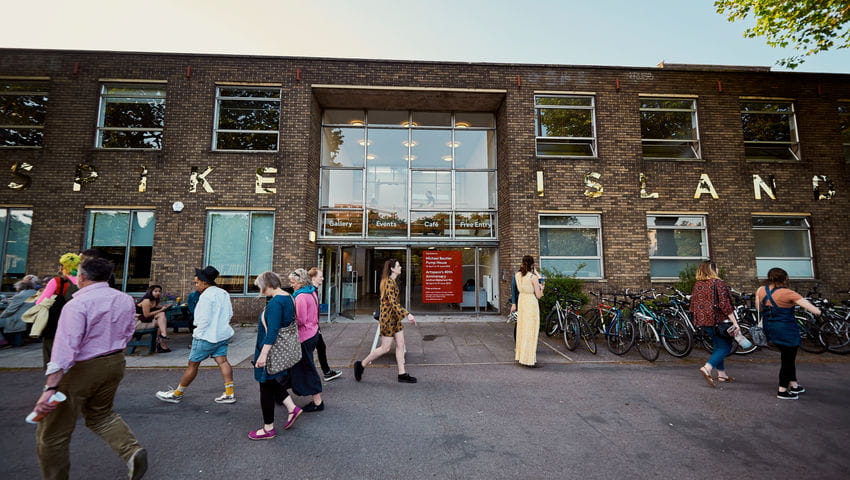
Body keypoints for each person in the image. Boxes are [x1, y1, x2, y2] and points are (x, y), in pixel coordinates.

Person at [31, 257, 147, 480]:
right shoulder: (124, 299)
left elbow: (66, 347)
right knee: (101, 414)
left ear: (82, 277)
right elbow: (128, 331)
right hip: (115, 361)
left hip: (82, 367)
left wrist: (50, 387)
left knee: (53, 433)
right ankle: (131, 451)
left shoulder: (76, 305)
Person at [155, 266, 236, 404]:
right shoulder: (223, 293)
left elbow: (202, 320)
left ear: (205, 282)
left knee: (192, 365)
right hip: (222, 335)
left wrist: (197, 333)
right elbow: (230, 314)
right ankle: (229, 393)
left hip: (205, 336)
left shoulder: (205, 297)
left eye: (197, 282)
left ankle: (177, 393)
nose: (196, 285)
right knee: (223, 362)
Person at [248, 271, 303, 440]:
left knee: (265, 386)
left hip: (270, 350)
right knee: (272, 381)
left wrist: (263, 355)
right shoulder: (288, 297)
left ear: (267, 285)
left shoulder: (275, 303)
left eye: (261, 287)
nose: (260, 291)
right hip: (280, 350)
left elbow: (272, 331)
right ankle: (292, 408)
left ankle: (268, 428)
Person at [756, 267, 822, 400]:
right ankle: (782, 390)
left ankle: (795, 385)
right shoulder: (789, 293)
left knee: (788, 358)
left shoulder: (761, 290)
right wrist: (819, 310)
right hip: (786, 330)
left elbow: (759, 308)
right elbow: (815, 311)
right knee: (787, 360)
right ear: (785, 278)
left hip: (770, 328)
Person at [354, 258, 417, 383]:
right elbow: (393, 303)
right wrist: (408, 314)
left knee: (401, 344)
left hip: (395, 318)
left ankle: (402, 373)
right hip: (388, 319)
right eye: (398, 266)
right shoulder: (388, 282)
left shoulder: (393, 281)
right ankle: (361, 364)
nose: (400, 268)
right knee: (385, 348)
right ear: (392, 269)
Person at [690, 260, 741, 388]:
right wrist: (735, 322)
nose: (718, 270)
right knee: (725, 347)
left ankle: (722, 374)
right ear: (712, 269)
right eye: (716, 268)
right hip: (718, 320)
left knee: (718, 346)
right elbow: (725, 305)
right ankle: (707, 368)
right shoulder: (718, 283)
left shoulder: (698, 284)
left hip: (704, 320)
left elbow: (693, 304)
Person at [289, 268, 325, 411]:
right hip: (313, 333)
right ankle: (280, 394)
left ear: (300, 281)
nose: (291, 284)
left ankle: (318, 402)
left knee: (307, 367)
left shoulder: (301, 297)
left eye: (293, 282)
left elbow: (300, 320)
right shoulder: (312, 292)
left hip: (304, 335)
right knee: (300, 366)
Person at [36, 253, 80, 366]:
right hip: (76, 322)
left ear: (62, 267)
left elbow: (40, 303)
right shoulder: (83, 282)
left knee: (52, 354)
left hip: (55, 324)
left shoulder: (56, 281)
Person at [308, 267, 342, 381]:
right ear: (313, 278)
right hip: (311, 328)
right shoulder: (310, 292)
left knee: (321, 347)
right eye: (320, 276)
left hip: (315, 327)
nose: (323, 278)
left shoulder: (314, 290)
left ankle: (326, 372)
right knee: (309, 352)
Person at [511, 255, 544, 368]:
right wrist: (542, 286)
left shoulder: (517, 275)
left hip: (522, 301)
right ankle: (529, 359)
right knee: (531, 331)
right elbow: (539, 295)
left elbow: (515, 289)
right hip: (531, 303)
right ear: (532, 264)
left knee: (522, 329)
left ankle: (521, 356)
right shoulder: (532, 277)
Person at [0, 274, 41, 347]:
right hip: (29, 317)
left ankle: (3, 341)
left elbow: (10, 310)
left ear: (20, 287)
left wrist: (1, 316)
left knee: (1, 321)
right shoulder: (36, 293)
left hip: (18, 319)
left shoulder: (20, 296)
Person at [136, 284, 171, 352]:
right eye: (155, 291)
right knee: (162, 316)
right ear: (150, 292)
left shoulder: (154, 300)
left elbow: (155, 306)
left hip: (145, 319)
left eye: (159, 291)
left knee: (161, 322)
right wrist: (161, 309)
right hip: (138, 320)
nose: (158, 293)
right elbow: (147, 315)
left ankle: (161, 342)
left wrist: (164, 306)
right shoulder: (146, 301)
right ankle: (162, 339)